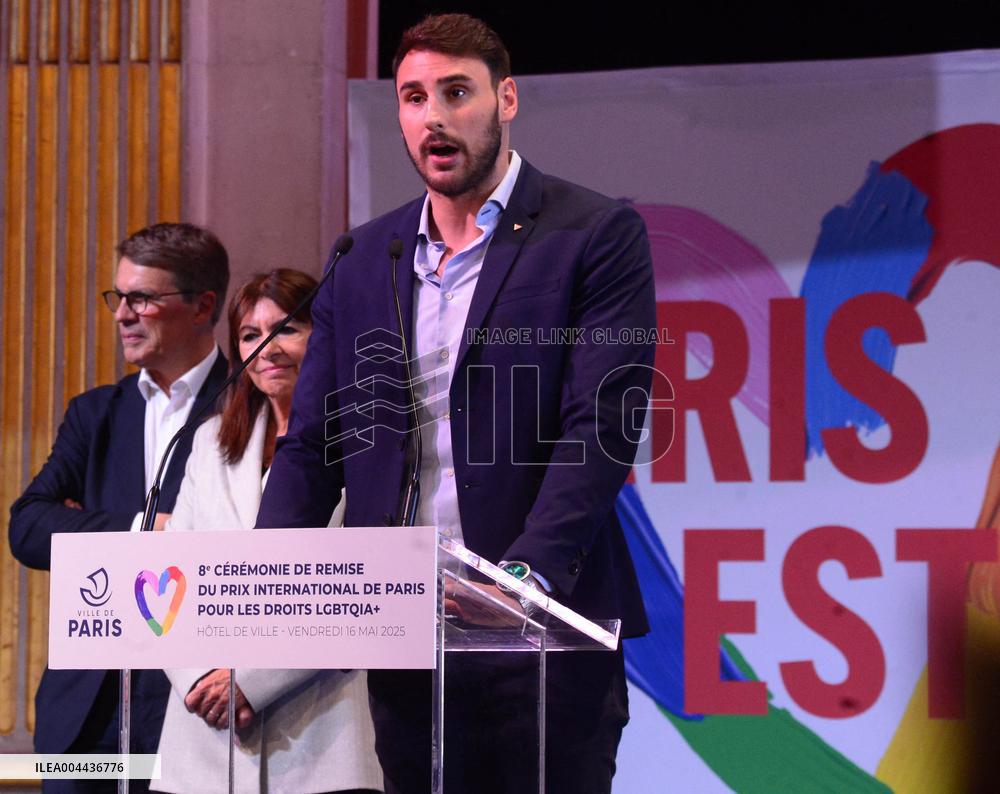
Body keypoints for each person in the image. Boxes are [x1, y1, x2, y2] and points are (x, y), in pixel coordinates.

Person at [256, 13, 655, 794]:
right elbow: (315, 444)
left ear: (507, 99)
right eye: (412, 96)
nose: (432, 117)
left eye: (455, 92)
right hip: (404, 633)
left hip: (542, 629)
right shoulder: (362, 256)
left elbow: (601, 425)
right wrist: (268, 577)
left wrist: (522, 579)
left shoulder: (593, 233)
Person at [8, 223, 230, 793]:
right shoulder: (95, 414)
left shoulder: (247, 407)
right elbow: (30, 525)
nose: (122, 314)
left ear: (202, 306)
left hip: (196, 700)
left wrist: (83, 523)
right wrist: (140, 527)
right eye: (118, 297)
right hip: (87, 713)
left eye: (142, 299)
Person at [153, 269, 382, 794]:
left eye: (287, 329)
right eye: (251, 335)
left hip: (321, 732)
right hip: (202, 732)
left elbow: (363, 591)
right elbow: (170, 576)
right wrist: (197, 679)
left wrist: (251, 681)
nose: (268, 348)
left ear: (324, 336)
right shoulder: (209, 440)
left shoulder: (369, 440)